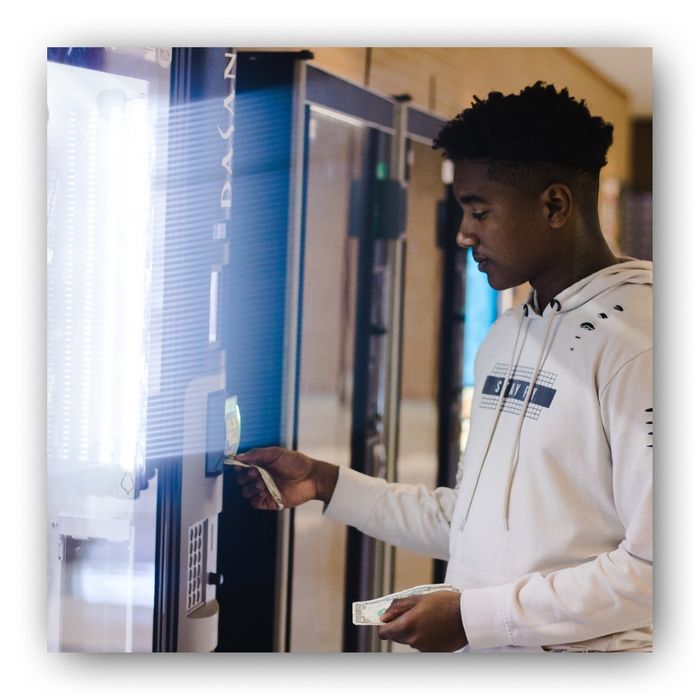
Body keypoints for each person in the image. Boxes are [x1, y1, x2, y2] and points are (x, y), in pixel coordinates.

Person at [234, 81, 652, 653]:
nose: (463, 234)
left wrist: (473, 617)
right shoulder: (507, 334)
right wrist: (326, 484)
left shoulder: (644, 344)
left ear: (555, 205)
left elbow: (656, 570)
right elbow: (474, 519)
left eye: (480, 211)